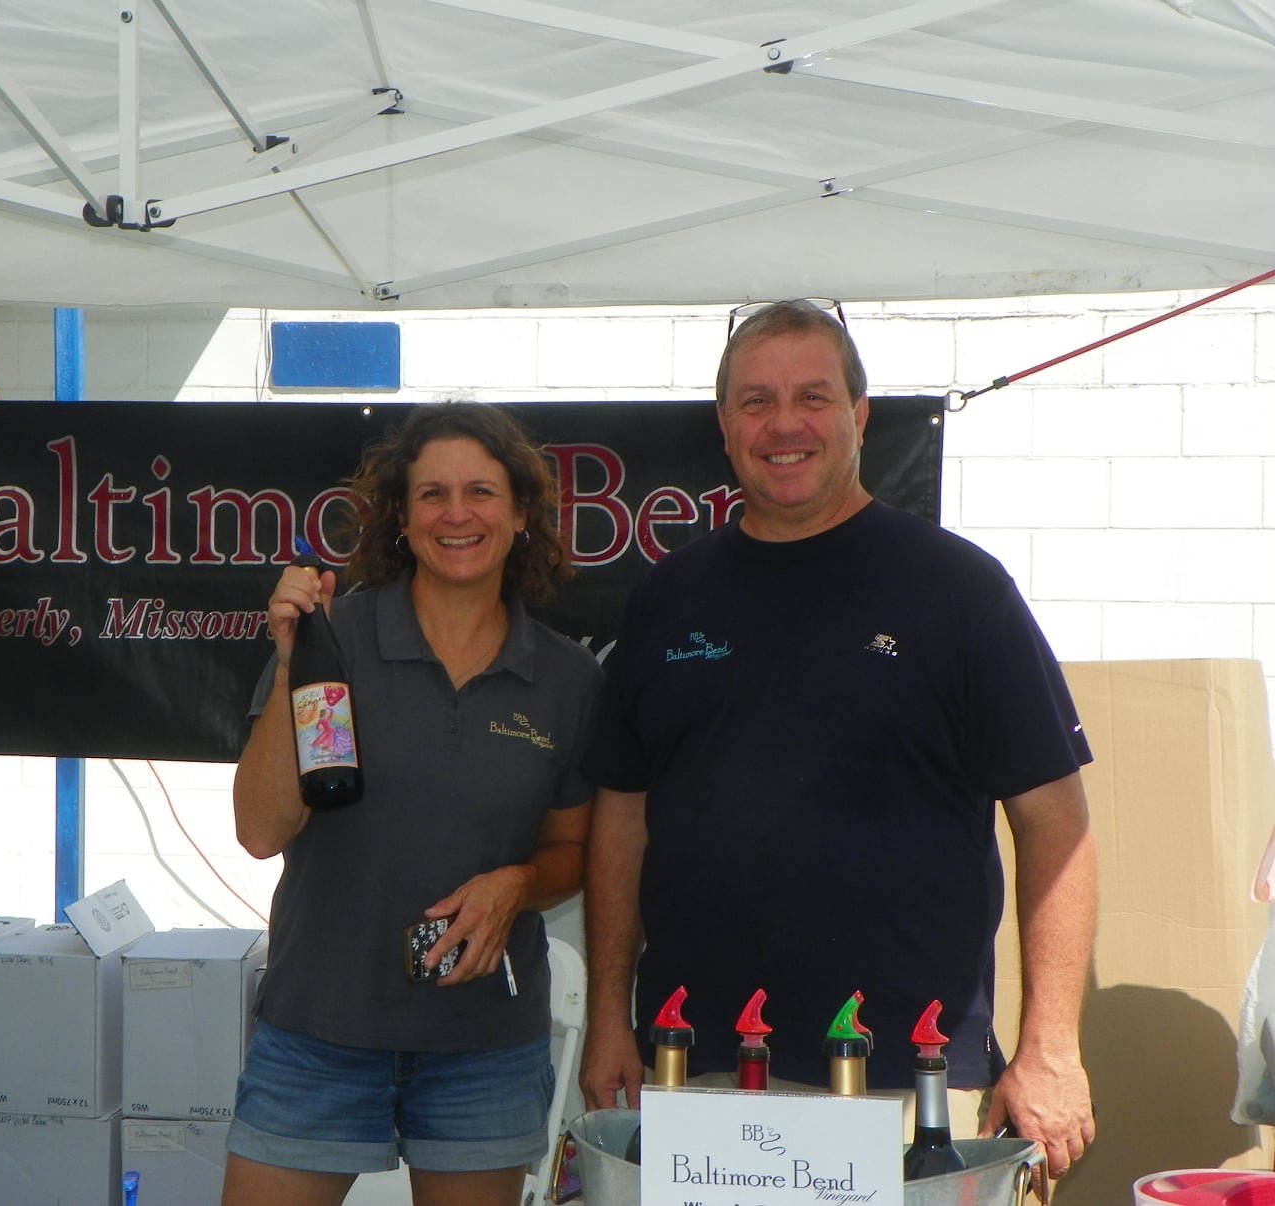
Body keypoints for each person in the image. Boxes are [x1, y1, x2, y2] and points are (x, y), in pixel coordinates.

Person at [578, 300, 1098, 1187]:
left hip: (906, 1078)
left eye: (813, 397)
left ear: (859, 416)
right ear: (724, 425)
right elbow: (621, 817)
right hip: (698, 1068)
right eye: (756, 401)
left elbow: (1057, 824)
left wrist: (1051, 1049)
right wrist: (608, 1019)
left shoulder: (958, 591)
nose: (784, 424)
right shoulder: (669, 597)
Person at [225, 402, 601, 1206]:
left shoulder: (568, 679)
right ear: (399, 518)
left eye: (481, 492)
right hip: (319, 1032)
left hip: (483, 1049)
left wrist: (515, 886)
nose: (456, 514)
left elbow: (573, 853)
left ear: (521, 514)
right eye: (432, 494)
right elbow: (260, 832)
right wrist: (293, 661)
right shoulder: (337, 640)